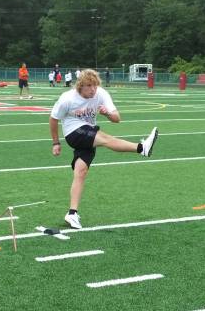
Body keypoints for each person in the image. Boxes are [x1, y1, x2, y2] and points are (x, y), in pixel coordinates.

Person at [49, 69, 158, 229]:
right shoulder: (67, 98)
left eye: (95, 85)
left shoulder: (101, 94)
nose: (92, 89)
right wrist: (56, 143)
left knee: (80, 173)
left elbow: (117, 119)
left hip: (89, 132)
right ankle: (142, 148)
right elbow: (53, 119)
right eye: (88, 86)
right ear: (80, 86)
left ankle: (72, 214)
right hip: (74, 133)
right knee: (106, 139)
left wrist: (107, 113)